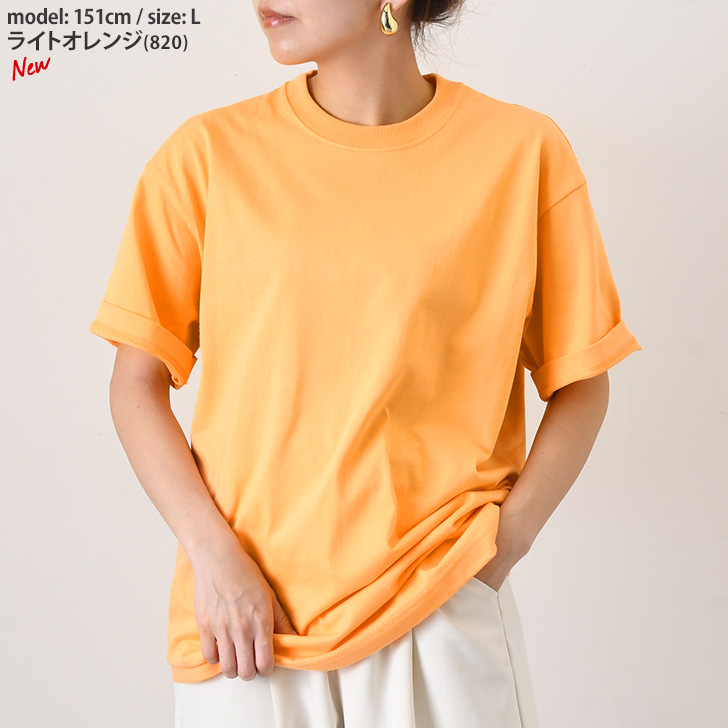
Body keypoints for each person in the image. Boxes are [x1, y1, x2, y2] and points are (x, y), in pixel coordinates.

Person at [89, 1, 642, 726]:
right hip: (247, 624)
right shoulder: (206, 156)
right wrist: (212, 557)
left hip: (438, 601)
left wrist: (498, 552)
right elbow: (136, 382)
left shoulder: (521, 152)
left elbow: (583, 379)